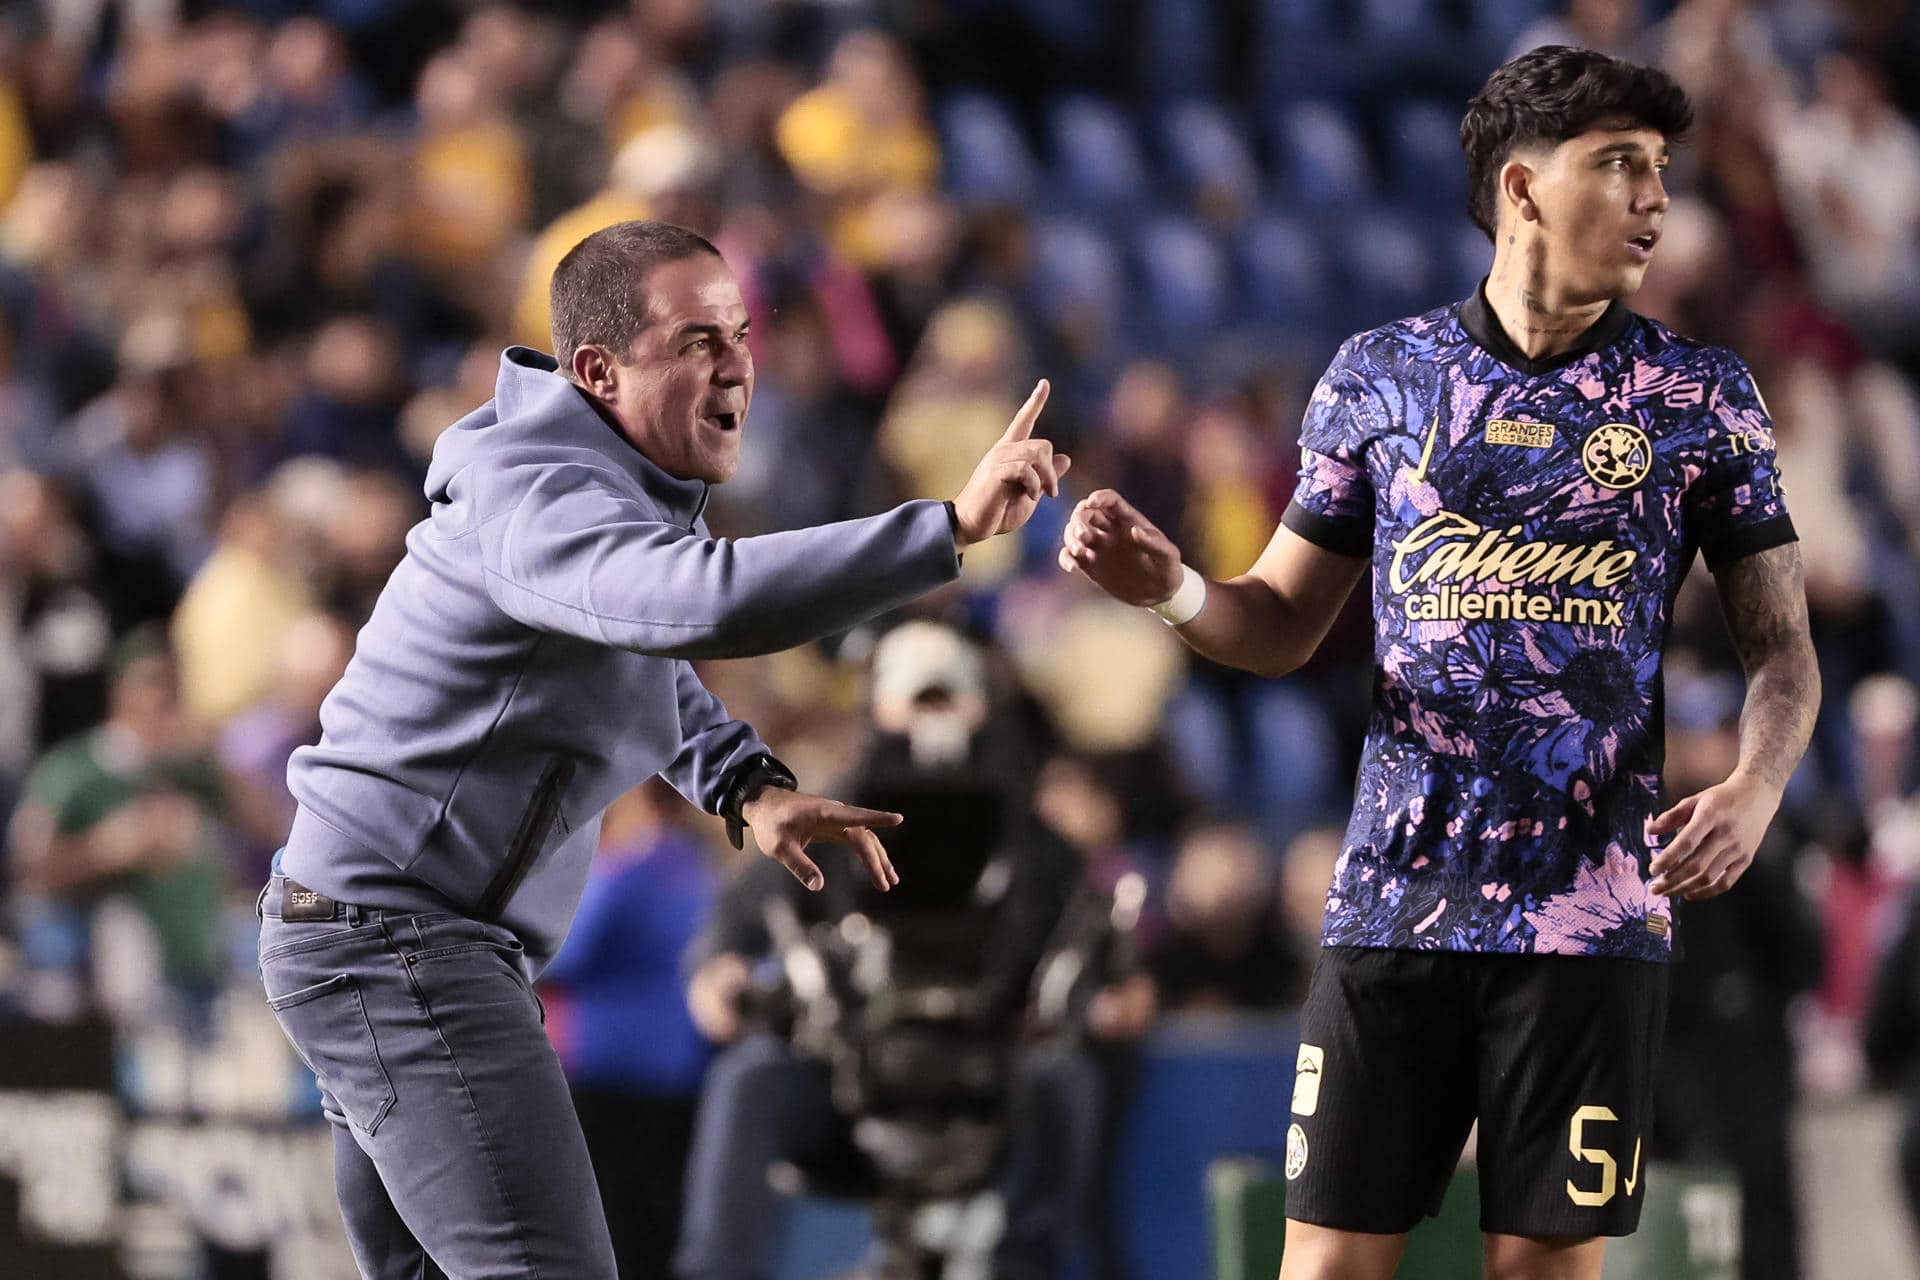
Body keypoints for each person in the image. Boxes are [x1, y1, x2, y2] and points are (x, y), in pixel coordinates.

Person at [1060, 47, 1821, 1280]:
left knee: (1540, 1269)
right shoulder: (1382, 378)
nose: (1656, 200)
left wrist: (1757, 784)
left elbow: (1784, 652)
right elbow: (1280, 621)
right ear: (1522, 188)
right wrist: (1178, 590)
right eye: (1619, 165)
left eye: (1661, 170)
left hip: (1592, 920)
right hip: (1396, 898)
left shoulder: (1700, 395)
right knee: (1328, 1263)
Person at [255, 219, 1069, 1279]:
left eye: (740, 333)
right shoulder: (542, 497)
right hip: (402, 939)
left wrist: (744, 784)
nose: (737, 363)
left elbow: (636, 659)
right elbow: (694, 605)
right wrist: (945, 528)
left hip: (374, 928)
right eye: (696, 341)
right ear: (598, 369)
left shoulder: (597, 490)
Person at [677, 621, 1132, 1280]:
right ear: (878, 707)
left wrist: (1117, 992)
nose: (931, 718)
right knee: (748, 1082)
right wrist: (715, 973)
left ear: (980, 704)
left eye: (946, 698)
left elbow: (1102, 946)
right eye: (917, 699)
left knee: (1066, 1083)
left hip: (992, 1080)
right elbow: (734, 926)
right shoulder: (825, 818)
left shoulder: (1032, 834)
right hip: (849, 1078)